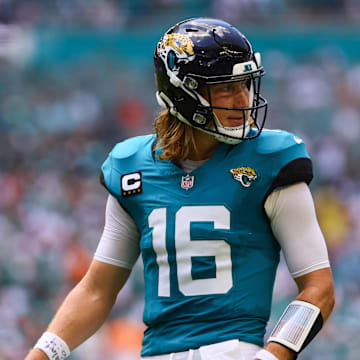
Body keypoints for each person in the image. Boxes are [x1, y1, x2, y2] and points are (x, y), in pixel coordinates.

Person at [25, 17, 335, 360]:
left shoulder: (271, 159)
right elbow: (97, 290)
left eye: (245, 84)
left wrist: (271, 357)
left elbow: (318, 289)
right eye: (226, 88)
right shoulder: (133, 167)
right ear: (184, 92)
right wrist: (42, 354)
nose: (243, 99)